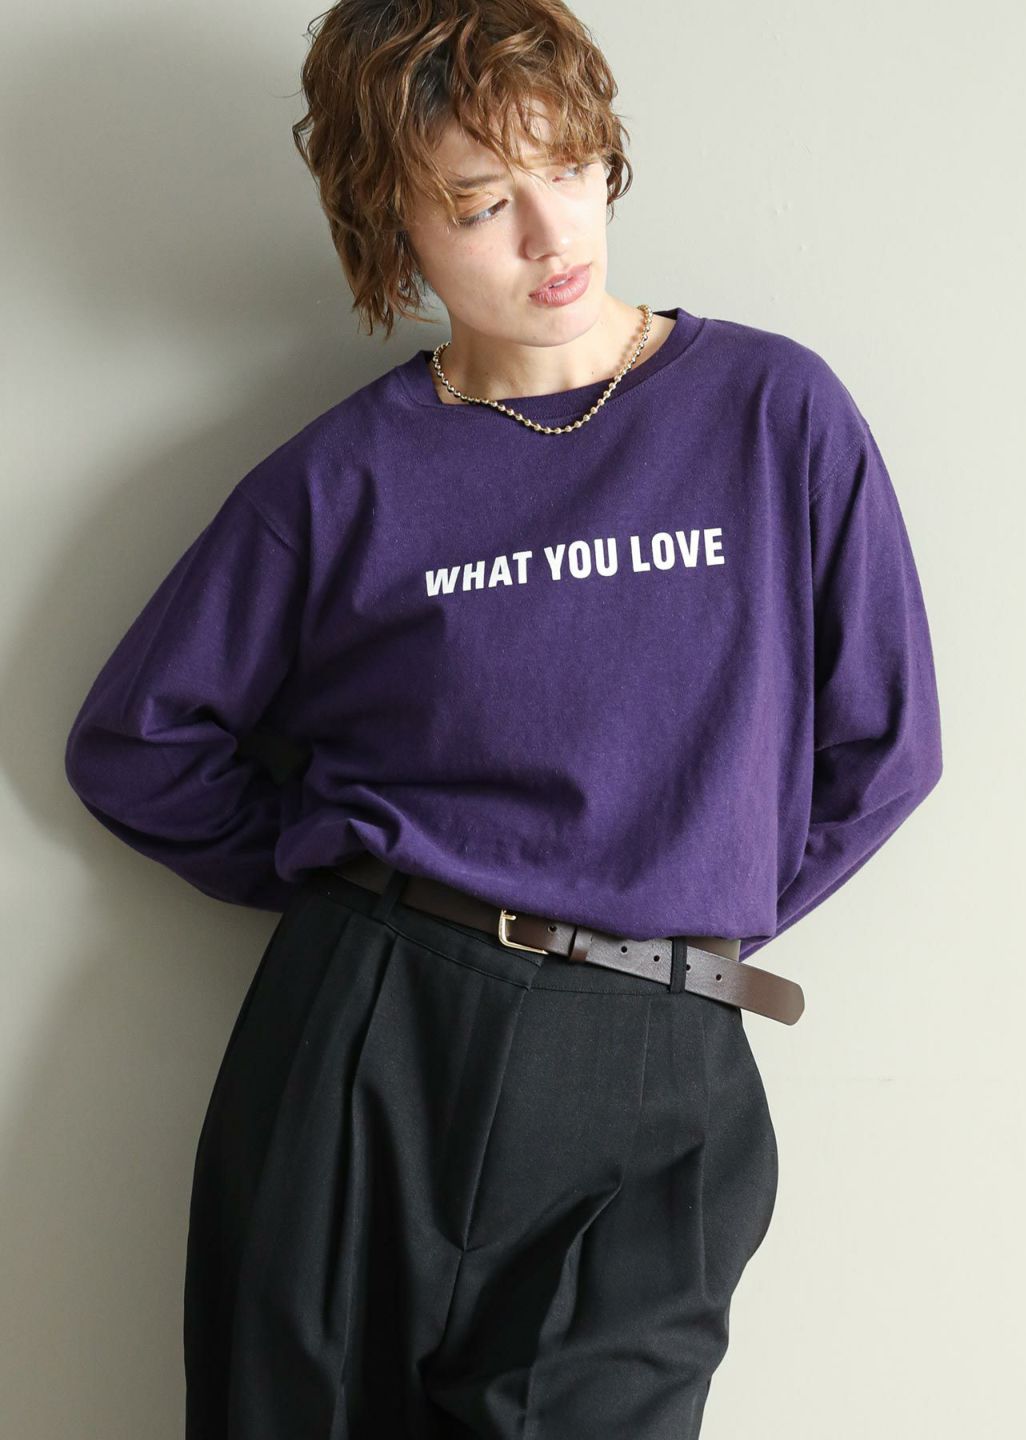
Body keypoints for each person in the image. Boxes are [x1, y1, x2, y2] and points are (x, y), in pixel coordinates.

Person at [62, 2, 943, 1435]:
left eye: (573, 168)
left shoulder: (771, 411)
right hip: (378, 1035)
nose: (551, 233)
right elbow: (139, 743)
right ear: (391, 226)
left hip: (658, 1056)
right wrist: (354, 885)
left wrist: (673, 914)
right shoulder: (343, 480)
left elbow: (885, 743)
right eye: (480, 204)